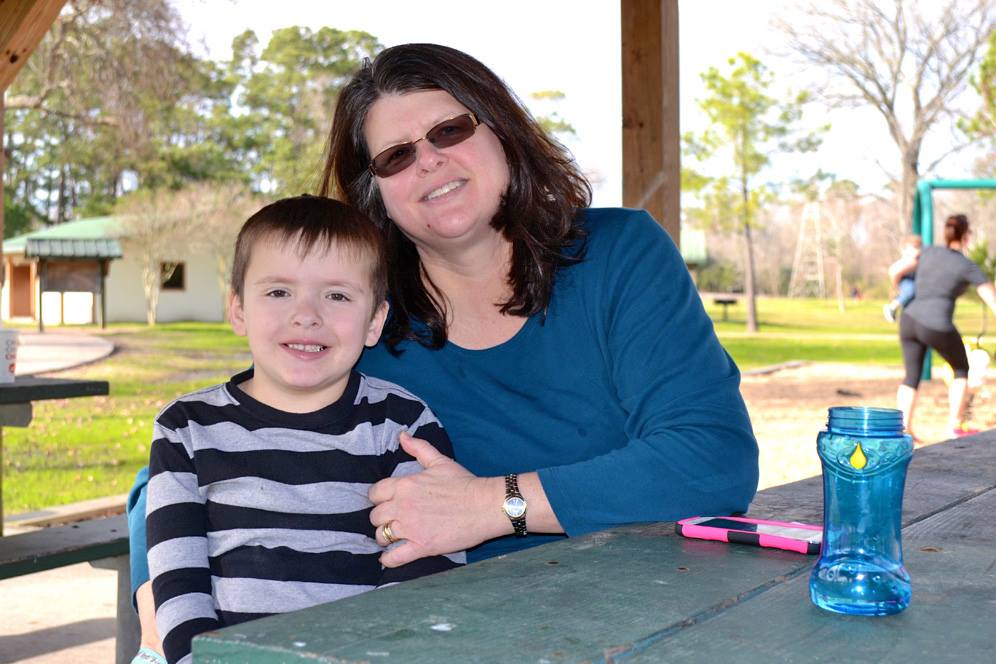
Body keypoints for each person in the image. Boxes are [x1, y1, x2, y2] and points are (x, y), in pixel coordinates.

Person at [127, 42, 759, 647]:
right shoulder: (364, 320)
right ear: (376, 192)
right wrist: (152, 589)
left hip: (640, 615)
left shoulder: (618, 256)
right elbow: (217, 446)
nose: (427, 160)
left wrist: (493, 504)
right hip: (449, 629)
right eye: (396, 156)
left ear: (503, 132)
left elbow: (712, 459)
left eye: (449, 130)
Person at [141, 196, 463, 664]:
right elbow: (176, 578)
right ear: (238, 309)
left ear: (374, 321)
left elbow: (428, 561)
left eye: (337, 296)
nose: (307, 314)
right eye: (278, 292)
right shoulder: (185, 428)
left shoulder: (400, 425)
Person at [897, 214, 996, 440]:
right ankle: (954, 426)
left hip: (909, 319)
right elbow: (991, 299)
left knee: (911, 376)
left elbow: (897, 270)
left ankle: (902, 430)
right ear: (967, 236)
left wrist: (898, 295)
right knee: (961, 369)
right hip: (937, 323)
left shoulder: (928, 252)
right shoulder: (967, 265)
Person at [883, 234, 922, 323]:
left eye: (919, 248)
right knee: (910, 290)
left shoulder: (917, 259)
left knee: (911, 295)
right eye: (915, 248)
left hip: (912, 281)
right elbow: (894, 272)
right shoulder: (908, 260)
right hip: (905, 281)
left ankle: (902, 313)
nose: (918, 251)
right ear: (906, 250)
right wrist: (896, 286)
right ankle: (892, 307)